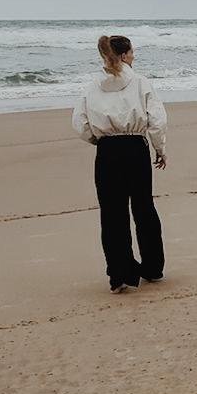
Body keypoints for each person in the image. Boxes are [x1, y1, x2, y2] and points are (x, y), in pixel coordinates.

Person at [72, 34, 167, 293]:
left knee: (112, 214)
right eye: (132, 52)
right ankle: (152, 268)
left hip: (107, 151)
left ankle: (119, 275)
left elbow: (80, 122)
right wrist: (160, 148)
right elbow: (156, 119)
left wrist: (99, 141)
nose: (134, 56)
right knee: (143, 208)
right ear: (124, 55)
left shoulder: (92, 85)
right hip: (135, 147)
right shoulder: (139, 82)